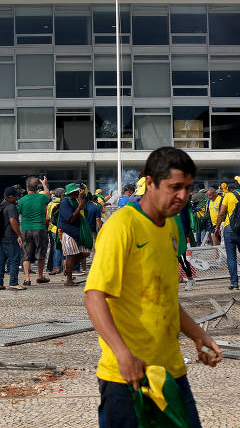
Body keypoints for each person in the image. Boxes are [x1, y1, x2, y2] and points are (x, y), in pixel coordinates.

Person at [84, 146, 222, 427]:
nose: (183, 196)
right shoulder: (122, 226)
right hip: (127, 376)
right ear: (150, 183)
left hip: (171, 371)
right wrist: (123, 355)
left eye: (187, 187)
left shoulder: (171, 226)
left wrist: (198, 336)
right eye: (174, 187)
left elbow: (164, 297)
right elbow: (94, 296)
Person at [18, 176, 51, 286]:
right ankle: (40, 276)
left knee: (26, 253)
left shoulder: (21, 201)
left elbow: (17, 213)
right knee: (41, 252)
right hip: (40, 228)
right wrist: (45, 184)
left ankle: (27, 279)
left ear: (27, 187)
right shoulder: (42, 198)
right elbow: (48, 196)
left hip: (25, 229)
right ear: (37, 187)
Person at [58, 183, 90, 287]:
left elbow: (86, 211)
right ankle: (68, 280)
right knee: (71, 256)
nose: (78, 193)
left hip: (77, 232)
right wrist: (79, 207)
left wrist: (81, 201)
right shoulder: (65, 202)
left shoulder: (75, 200)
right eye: (76, 192)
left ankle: (67, 266)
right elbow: (71, 219)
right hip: (68, 232)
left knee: (85, 253)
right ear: (72, 193)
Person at [0, 187, 25, 291]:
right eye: (16, 196)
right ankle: (13, 282)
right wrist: (19, 235)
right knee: (15, 259)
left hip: (1, 236)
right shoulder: (11, 207)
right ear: (11, 197)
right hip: (9, 236)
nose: (17, 198)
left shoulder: (1, 205)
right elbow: (13, 221)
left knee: (1, 260)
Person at [217, 179, 240, 290]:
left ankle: (234, 283)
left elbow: (221, 213)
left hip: (229, 228)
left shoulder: (228, 196)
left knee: (231, 257)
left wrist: (217, 227)